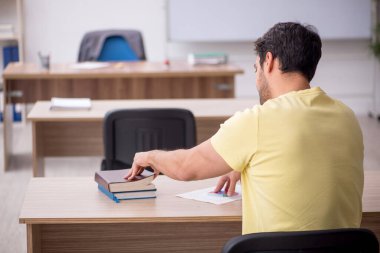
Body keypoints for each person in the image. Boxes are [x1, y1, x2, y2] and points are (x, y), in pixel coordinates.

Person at [126, 22, 364, 234]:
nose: (256, 77)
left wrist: (150, 156)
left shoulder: (258, 120)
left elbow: (187, 167)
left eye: (255, 68)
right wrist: (250, 162)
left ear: (268, 61)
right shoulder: (346, 116)